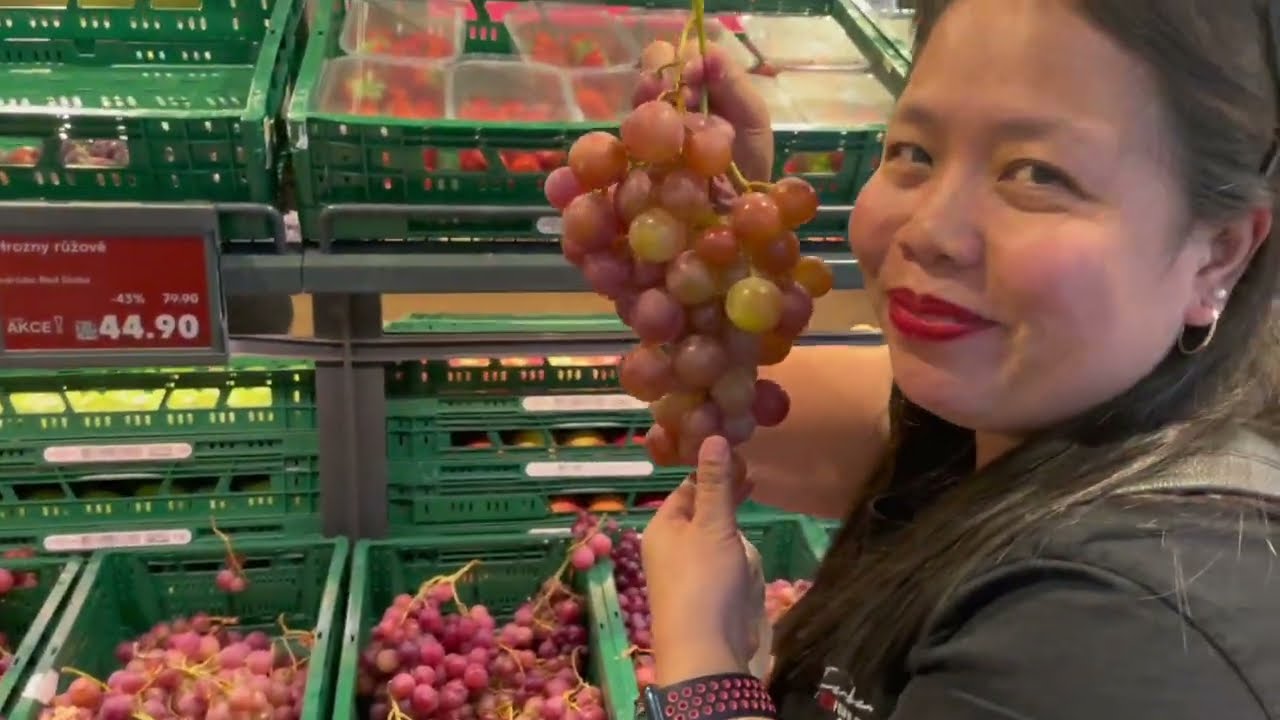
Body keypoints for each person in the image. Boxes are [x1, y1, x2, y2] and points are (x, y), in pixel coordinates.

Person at [632, 0, 1280, 718]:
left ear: (1218, 253)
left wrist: (705, 669)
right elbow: (730, 413)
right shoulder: (1018, 413)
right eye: (914, 151)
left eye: (1035, 174)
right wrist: (718, 240)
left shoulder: (1120, 640)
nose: (931, 229)